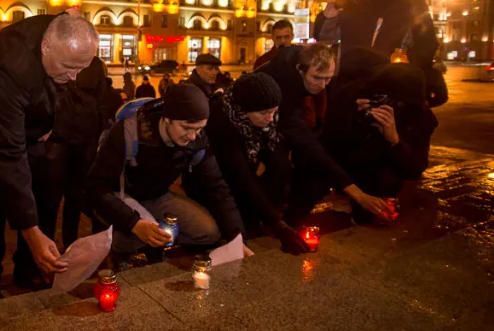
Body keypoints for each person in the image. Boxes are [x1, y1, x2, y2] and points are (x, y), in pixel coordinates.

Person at [0, 13, 98, 303]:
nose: (74, 76)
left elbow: (65, 92)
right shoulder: (11, 65)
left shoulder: (63, 36)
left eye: (82, 67)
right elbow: (7, 152)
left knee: (41, 188)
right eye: (70, 67)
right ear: (46, 46)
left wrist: (50, 124)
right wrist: (31, 232)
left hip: (26, 123)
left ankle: (27, 268)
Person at [85, 84, 244, 259]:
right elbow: (96, 188)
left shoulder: (197, 140)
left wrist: (236, 237)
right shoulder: (128, 133)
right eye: (186, 128)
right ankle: (122, 253)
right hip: (121, 198)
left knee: (208, 232)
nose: (192, 136)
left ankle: (162, 248)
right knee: (133, 242)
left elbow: (217, 188)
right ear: (167, 119)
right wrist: (134, 224)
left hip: (158, 196)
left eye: (199, 129)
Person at [254, 44, 394, 226]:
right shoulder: (282, 84)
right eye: (317, 78)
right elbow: (302, 138)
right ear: (300, 69)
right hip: (246, 126)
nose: (322, 86)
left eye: (328, 79)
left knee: (287, 166)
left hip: (275, 123)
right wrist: (356, 193)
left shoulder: (298, 72)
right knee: (278, 166)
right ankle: (261, 219)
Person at [306, 63, 436, 224]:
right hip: (348, 163)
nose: (384, 104)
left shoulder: (418, 115)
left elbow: (415, 169)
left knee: (384, 187)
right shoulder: (354, 94)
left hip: (380, 170)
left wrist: (394, 139)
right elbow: (326, 146)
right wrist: (355, 120)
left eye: (392, 100)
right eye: (380, 97)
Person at [206, 73, 311, 255]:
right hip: (217, 180)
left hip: (244, 172)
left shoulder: (265, 116)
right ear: (243, 109)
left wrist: (277, 218)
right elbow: (240, 175)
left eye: (274, 111)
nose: (270, 119)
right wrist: (278, 226)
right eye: (264, 113)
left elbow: (278, 162)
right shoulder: (221, 118)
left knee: (282, 166)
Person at [316, 0, 440, 78]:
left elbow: (428, 46)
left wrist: (410, 68)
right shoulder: (349, 4)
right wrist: (328, 19)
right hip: (351, 81)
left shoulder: (413, 7)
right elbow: (324, 38)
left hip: (393, 82)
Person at [47, 56, 109, 248]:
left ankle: (70, 245)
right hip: (57, 139)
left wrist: (100, 134)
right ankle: (44, 250)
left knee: (75, 197)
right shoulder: (56, 57)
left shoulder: (95, 64)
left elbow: (102, 101)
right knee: (50, 198)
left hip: (85, 141)